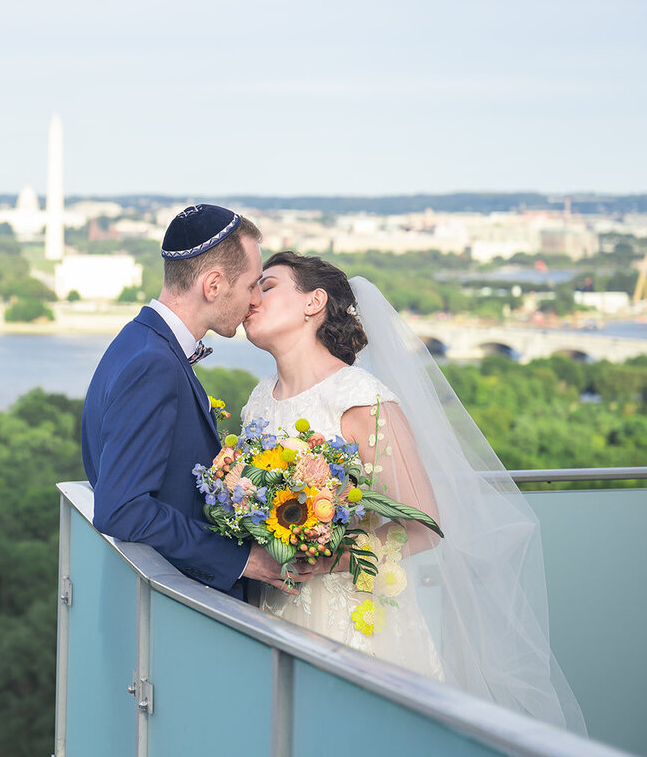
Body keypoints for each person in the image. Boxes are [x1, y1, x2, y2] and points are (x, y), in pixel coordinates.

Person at [240, 250, 586, 734]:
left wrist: (330, 559)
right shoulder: (259, 399)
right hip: (272, 607)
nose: (251, 297)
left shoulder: (361, 397)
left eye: (268, 285)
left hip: (355, 618)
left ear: (313, 302)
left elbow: (424, 526)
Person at [81, 205, 318, 595]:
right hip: (175, 608)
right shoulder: (153, 364)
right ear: (213, 285)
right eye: (251, 285)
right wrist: (242, 559)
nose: (255, 299)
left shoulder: (138, 341)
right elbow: (122, 509)